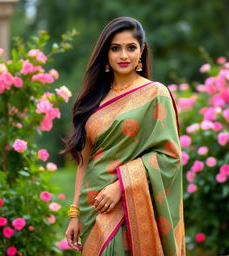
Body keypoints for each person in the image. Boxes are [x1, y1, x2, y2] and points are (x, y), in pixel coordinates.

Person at [61, 16, 185, 256]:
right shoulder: (93, 101)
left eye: (131, 48)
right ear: (106, 54)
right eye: (115, 48)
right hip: (92, 209)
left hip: (128, 209)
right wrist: (74, 214)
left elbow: (170, 157)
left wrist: (122, 185)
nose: (123, 56)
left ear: (142, 51)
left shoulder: (155, 94)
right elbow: (84, 162)